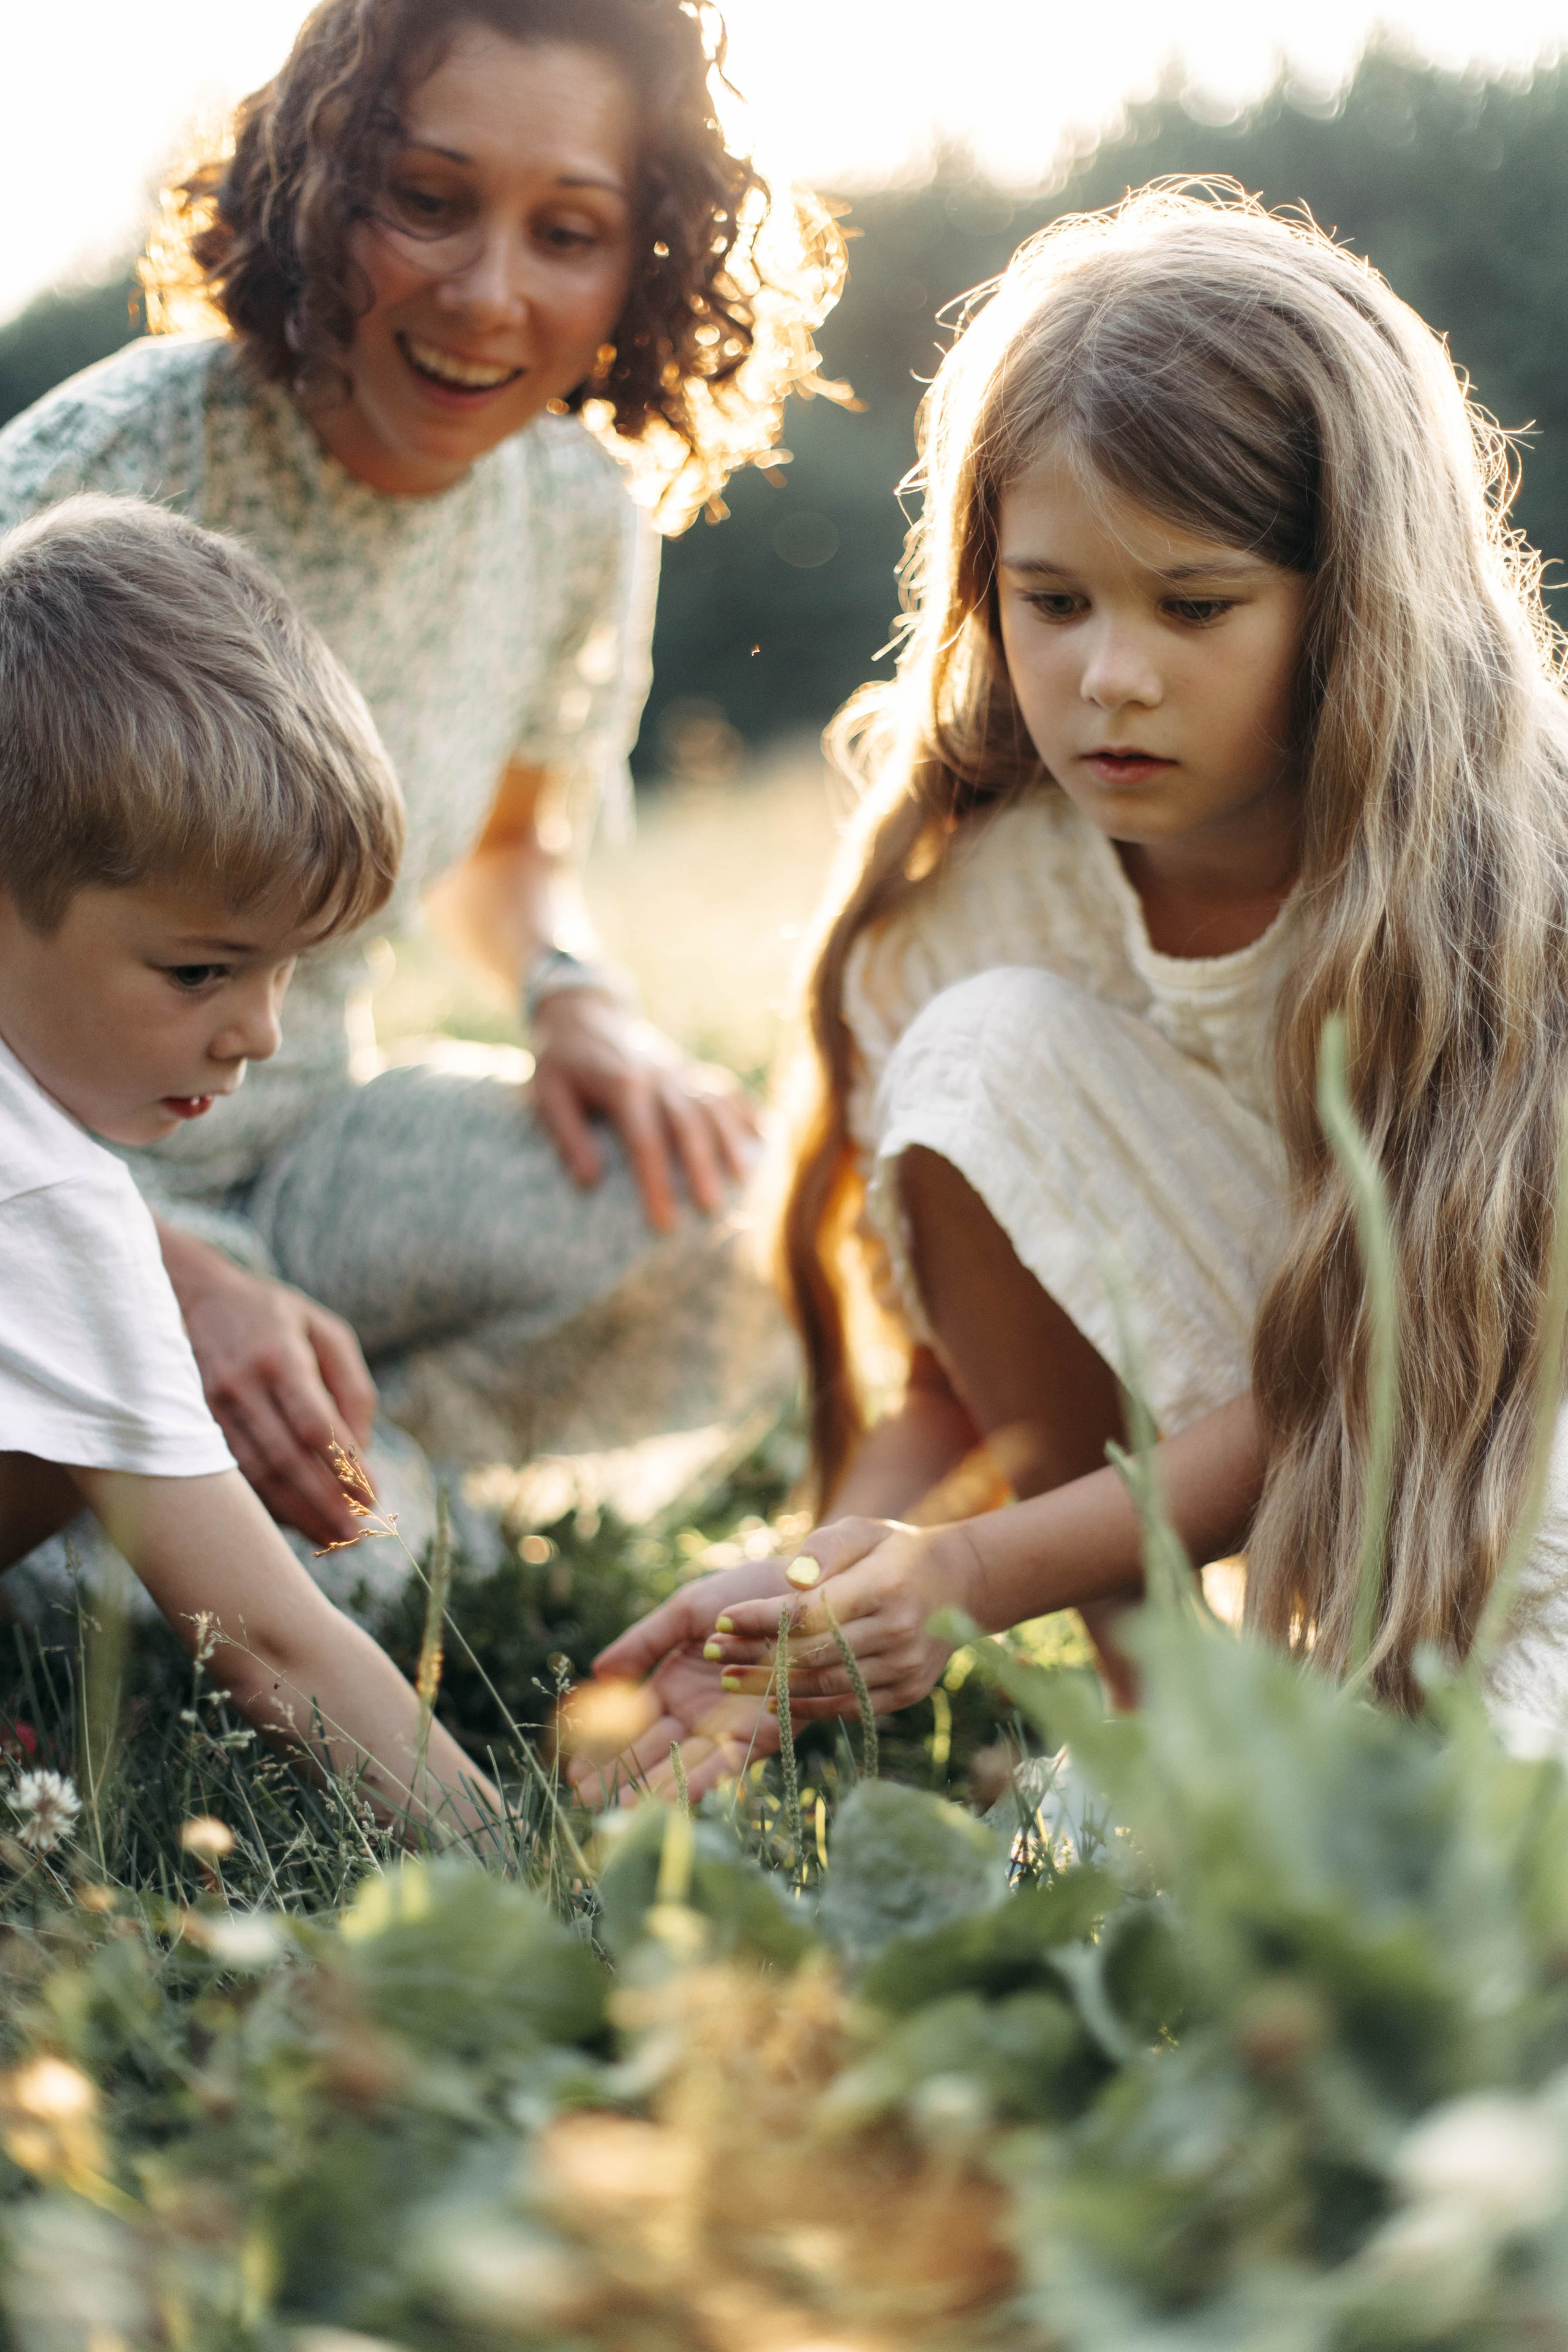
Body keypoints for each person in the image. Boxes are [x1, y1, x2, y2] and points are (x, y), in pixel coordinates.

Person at [581, 182, 1568, 1801]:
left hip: (1510, 1458)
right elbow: (975, 1372)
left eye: (1195, 606)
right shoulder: (987, 896)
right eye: (1055, 601)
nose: (1112, 674)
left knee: (1480, 1847)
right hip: (1337, 1519)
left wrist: (975, 1575)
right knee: (980, 1051)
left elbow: (1388, 1365)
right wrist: (826, 1593)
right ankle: (1168, 1728)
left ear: (1356, 604)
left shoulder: (1505, 874)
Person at [0, 0, 840, 1555]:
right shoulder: (99, 470)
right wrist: (153, 1273)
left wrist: (573, 993)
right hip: (38, 1201)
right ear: (321, 186)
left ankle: (371, 1472)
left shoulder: (577, 510)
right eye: (430, 201)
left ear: (640, 261)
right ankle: (220, 1495)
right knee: (328, 1597)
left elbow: (513, 844)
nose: (488, 293)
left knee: (739, 1214)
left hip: (310, 1151)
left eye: (569, 230)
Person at [0, 496, 496, 1835]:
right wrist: (536, 1878)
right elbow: (272, 1651)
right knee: (345, 1572)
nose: (259, 1031)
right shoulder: (49, 1202)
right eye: (200, 969)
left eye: (287, 969)